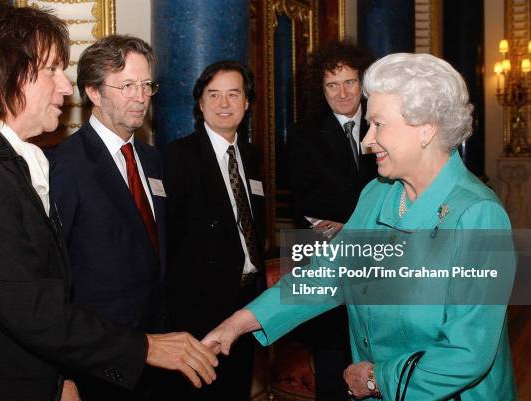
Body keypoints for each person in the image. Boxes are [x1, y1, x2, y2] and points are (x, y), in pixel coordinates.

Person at [0, 6, 216, 401]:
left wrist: (55, 380)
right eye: (52, 70)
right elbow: (32, 308)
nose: (65, 87)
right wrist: (145, 347)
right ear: (4, 73)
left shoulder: (4, 162)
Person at [203, 53, 516, 401]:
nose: (367, 140)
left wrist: (376, 379)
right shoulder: (377, 194)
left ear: (426, 127)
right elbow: (328, 274)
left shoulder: (479, 215)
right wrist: (238, 324)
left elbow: (467, 353)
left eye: (379, 125)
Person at [47, 34, 168, 401]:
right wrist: (62, 375)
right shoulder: (64, 166)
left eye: (146, 85)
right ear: (94, 93)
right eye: (127, 85)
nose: (141, 96)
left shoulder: (152, 160)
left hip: (157, 353)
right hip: (99, 364)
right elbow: (54, 278)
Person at [163, 60, 266, 401]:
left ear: (247, 102)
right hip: (200, 310)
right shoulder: (177, 158)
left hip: (247, 301)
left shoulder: (252, 156)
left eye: (233, 94)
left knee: (238, 390)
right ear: (200, 103)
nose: (224, 104)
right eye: (214, 95)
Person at [287, 41, 376, 400]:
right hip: (328, 262)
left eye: (350, 82)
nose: (342, 92)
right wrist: (363, 218)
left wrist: (349, 220)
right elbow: (307, 200)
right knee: (331, 360)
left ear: (363, 84)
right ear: (319, 89)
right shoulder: (303, 134)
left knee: (375, 357)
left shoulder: (383, 124)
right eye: (331, 84)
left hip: (381, 263)